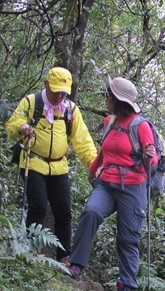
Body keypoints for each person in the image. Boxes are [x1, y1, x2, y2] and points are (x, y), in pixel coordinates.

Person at [68, 76, 157, 291]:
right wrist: (92, 170)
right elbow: (103, 152)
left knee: (128, 238)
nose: (105, 99)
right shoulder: (109, 121)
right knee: (91, 213)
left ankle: (126, 287)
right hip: (106, 183)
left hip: (133, 187)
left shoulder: (141, 126)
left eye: (107, 95)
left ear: (117, 100)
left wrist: (150, 157)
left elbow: (153, 160)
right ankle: (76, 265)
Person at [5, 67, 97, 265]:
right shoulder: (31, 102)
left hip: (59, 167)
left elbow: (82, 141)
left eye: (64, 93)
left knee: (63, 211)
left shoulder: (71, 111)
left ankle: (64, 257)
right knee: (37, 206)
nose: (60, 96)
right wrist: (22, 127)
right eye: (56, 91)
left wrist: (93, 164)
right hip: (33, 161)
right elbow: (11, 126)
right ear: (46, 85)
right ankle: (33, 250)